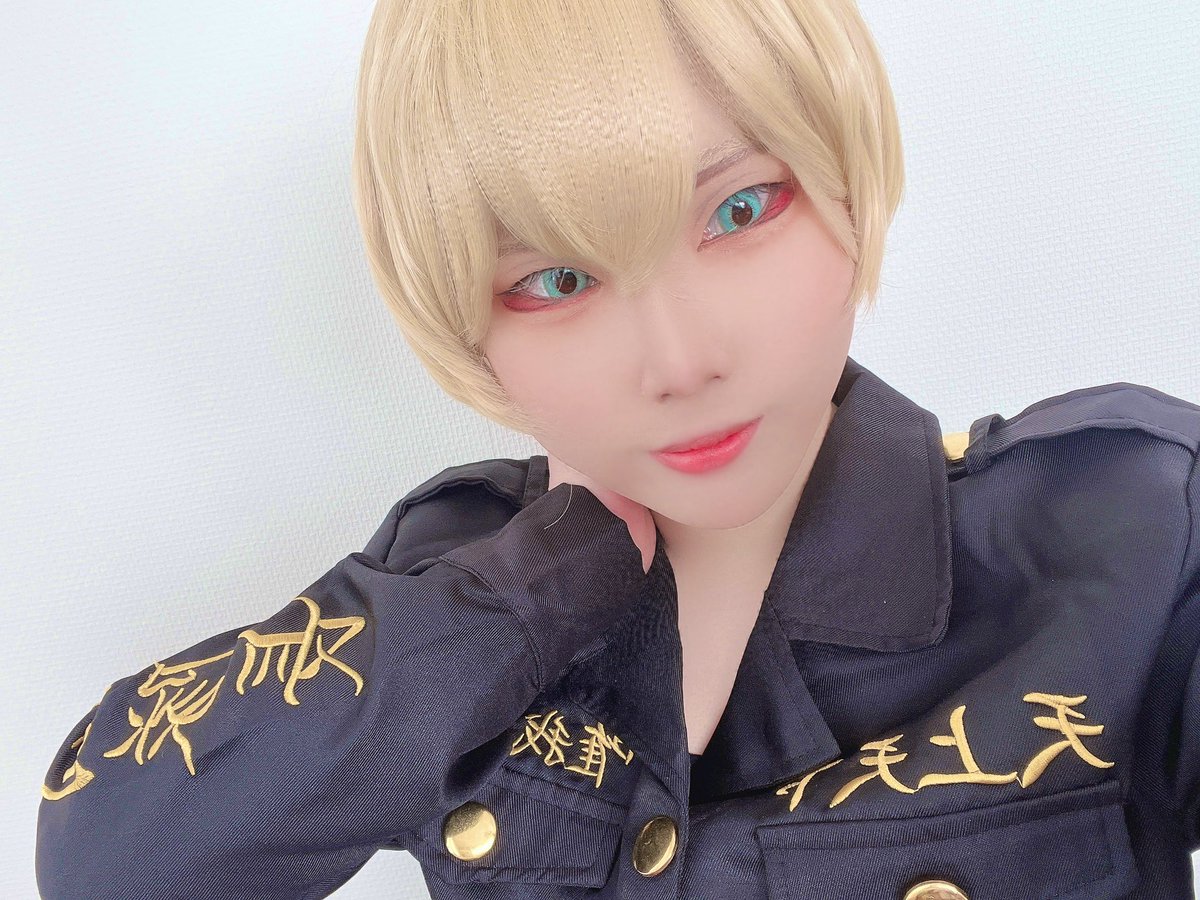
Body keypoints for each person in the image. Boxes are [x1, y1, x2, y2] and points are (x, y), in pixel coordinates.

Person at [34, 0, 1200, 897]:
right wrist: (533, 592)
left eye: (739, 211)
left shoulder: (1124, 527)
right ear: (469, 326)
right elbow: (112, 861)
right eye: (556, 280)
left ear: (842, 174)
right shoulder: (453, 571)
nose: (678, 360)